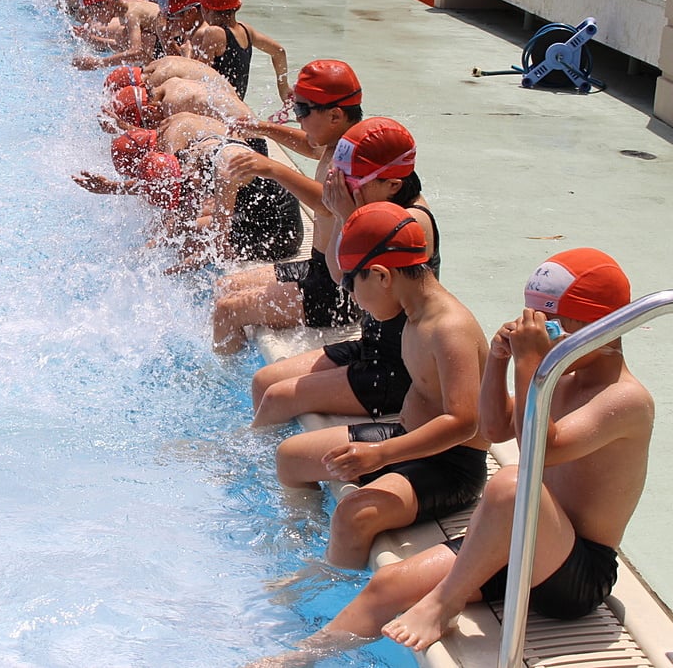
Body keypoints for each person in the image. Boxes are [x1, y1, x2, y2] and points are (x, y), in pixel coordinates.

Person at [252, 249, 652, 665]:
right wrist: (498, 362)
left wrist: (530, 364)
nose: (543, 341)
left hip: (575, 573)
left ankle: (444, 603)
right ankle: (296, 658)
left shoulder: (625, 400)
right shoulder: (566, 378)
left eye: (551, 328)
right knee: (387, 585)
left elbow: (540, 450)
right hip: (521, 540)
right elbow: (495, 429)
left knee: (512, 484)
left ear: (602, 328)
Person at [274, 200, 488, 571]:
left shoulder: (449, 329)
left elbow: (463, 422)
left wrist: (382, 455)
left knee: (353, 517)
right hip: (405, 438)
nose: (351, 297)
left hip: (450, 465)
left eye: (349, 284)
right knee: (290, 458)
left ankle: (329, 585)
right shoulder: (408, 308)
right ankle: (301, 543)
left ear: (382, 276)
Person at [247, 118, 439, 427]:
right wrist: (345, 216)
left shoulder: (410, 222)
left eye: (352, 181)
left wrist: (348, 216)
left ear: (393, 184)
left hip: (401, 369)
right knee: (263, 381)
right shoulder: (375, 204)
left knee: (277, 397)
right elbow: (340, 274)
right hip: (373, 346)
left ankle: (253, 459)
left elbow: (360, 294)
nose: (342, 188)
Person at [211, 60, 365, 353]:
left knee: (228, 309)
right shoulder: (339, 139)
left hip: (337, 292)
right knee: (224, 288)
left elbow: (326, 204)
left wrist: (273, 169)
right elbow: (312, 145)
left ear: (335, 115)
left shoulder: (354, 158)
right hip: (317, 267)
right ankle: (232, 363)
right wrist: (265, 128)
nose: (298, 119)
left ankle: (220, 383)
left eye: (302, 110)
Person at [73, 112, 304, 268]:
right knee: (181, 227)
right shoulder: (190, 158)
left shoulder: (223, 171)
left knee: (190, 241)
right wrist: (113, 188)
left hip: (279, 230)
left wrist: (174, 272)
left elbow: (218, 244)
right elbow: (167, 187)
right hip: (254, 210)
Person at [193, 0, 291, 104]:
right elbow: (279, 52)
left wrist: (186, 52)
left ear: (205, 9)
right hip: (236, 106)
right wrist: (283, 88)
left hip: (217, 109)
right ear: (237, 5)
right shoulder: (246, 30)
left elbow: (197, 76)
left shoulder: (214, 33)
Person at [72, 0, 162, 70]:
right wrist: (91, 39)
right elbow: (123, 46)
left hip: (173, 49)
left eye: (91, 10)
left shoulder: (131, 14)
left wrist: (98, 63)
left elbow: (136, 52)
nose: (93, 16)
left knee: (123, 36)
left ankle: (152, 71)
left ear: (107, 2)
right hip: (163, 43)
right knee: (122, 36)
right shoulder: (127, 7)